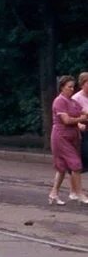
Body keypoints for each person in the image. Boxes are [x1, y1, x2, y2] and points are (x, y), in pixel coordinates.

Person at [49, 75, 88, 205]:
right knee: (76, 164)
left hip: (73, 136)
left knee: (62, 167)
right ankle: (79, 193)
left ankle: (53, 193)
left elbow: (84, 113)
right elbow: (66, 120)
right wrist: (81, 119)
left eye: (73, 87)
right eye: (69, 87)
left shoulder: (73, 101)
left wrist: (83, 117)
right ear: (62, 88)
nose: (72, 89)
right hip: (61, 136)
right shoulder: (59, 101)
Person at [73, 72, 88, 170]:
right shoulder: (76, 98)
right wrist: (78, 124)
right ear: (82, 84)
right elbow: (71, 115)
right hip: (84, 130)